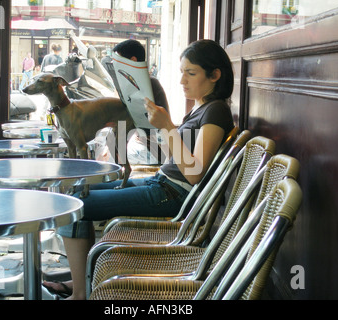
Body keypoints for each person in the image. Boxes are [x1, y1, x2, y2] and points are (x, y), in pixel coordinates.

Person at [43, 39, 235, 300]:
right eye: (181, 72)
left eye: (190, 73)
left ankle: (79, 293)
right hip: (162, 183)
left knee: (73, 204)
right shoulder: (202, 107)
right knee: (74, 191)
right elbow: (177, 159)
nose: (182, 81)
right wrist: (159, 128)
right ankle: (80, 283)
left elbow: (194, 173)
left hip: (171, 194)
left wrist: (167, 126)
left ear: (215, 75)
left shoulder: (216, 112)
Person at [112, 39, 169, 164]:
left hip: (153, 148)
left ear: (133, 61)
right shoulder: (129, 86)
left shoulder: (150, 84)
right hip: (141, 142)